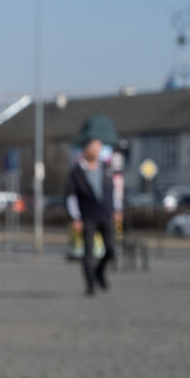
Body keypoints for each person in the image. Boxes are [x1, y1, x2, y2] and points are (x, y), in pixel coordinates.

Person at [65, 117, 120, 295]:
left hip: (105, 213)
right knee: (88, 251)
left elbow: (113, 190)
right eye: (95, 148)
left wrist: (117, 209)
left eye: (99, 148)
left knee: (111, 249)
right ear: (86, 149)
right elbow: (71, 196)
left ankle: (99, 272)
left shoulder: (106, 168)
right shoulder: (77, 171)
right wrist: (75, 218)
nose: (97, 151)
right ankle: (90, 285)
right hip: (87, 215)